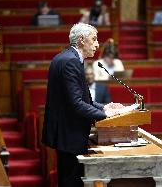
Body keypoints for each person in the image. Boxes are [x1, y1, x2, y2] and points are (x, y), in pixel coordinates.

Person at [42, 23, 124, 187]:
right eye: (93, 39)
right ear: (81, 40)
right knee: (71, 182)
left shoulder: (65, 57)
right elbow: (77, 105)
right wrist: (106, 116)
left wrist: (104, 107)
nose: (97, 44)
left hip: (66, 134)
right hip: (69, 136)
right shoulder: (71, 61)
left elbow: (80, 99)